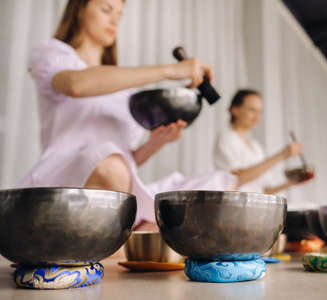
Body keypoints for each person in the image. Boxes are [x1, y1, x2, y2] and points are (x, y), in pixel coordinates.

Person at [18, 0, 237, 230]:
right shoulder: (54, 54)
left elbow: (126, 162)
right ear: (79, 10)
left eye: (120, 14)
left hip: (119, 194)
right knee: (112, 166)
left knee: (218, 186)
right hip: (65, 185)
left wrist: (154, 143)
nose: (114, 20)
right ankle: (138, 237)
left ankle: (132, 235)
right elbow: (76, 85)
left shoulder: (125, 91)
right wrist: (169, 70)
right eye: (106, 10)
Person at [213, 89, 312, 194]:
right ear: (235, 110)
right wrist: (282, 155)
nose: (257, 117)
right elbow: (235, 180)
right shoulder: (227, 139)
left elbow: (263, 191)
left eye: (260, 111)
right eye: (252, 110)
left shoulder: (255, 147)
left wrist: (291, 183)